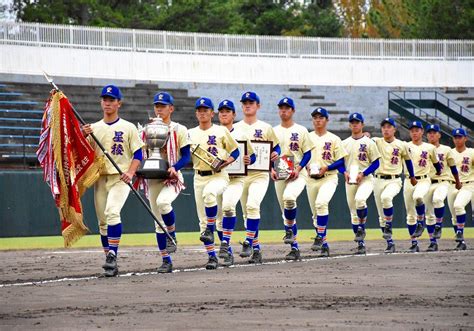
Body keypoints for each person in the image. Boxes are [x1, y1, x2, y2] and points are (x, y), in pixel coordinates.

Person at [82, 84, 144, 277]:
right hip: (100, 178)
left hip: (120, 178)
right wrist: (82, 136)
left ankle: (112, 256)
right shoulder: (93, 128)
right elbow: (82, 153)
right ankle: (110, 262)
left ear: (119, 103)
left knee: (112, 212)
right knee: (102, 222)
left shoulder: (128, 127)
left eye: (111, 100)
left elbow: (139, 153)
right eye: (105, 100)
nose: (107, 103)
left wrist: (131, 173)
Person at [188, 97, 239, 270]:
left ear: (212, 113)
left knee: (210, 195)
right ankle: (213, 256)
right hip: (198, 176)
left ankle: (211, 230)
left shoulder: (221, 131)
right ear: (196, 113)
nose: (202, 113)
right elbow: (185, 156)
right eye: (199, 110)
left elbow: (236, 151)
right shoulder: (190, 133)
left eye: (206, 109)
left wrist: (227, 162)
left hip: (218, 175)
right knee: (202, 220)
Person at [145, 92, 191, 273]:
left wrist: (176, 167)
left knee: (163, 203)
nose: (159, 108)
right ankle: (166, 260)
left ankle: (172, 233)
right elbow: (141, 153)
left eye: (163, 106)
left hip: (172, 177)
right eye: (157, 105)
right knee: (157, 222)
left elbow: (187, 156)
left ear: (171, 108)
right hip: (153, 177)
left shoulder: (179, 129)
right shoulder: (147, 129)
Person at [233, 91, 280, 264]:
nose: (247, 104)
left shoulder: (266, 127)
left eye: (251, 102)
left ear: (258, 105)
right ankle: (257, 250)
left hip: (260, 174)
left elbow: (277, 148)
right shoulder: (235, 128)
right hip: (240, 175)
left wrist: (275, 153)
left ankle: (248, 242)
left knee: (253, 205)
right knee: (246, 213)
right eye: (245, 102)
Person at [271, 97, 314, 261]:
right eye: (281, 107)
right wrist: (270, 169)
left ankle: (289, 232)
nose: (284, 110)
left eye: (287, 108)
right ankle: (294, 247)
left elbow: (308, 153)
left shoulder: (301, 130)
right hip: (281, 171)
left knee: (289, 198)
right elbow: (268, 153)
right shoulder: (273, 131)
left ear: (293, 110)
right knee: (285, 211)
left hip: (298, 171)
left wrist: (299, 168)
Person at [216, 99, 256, 266]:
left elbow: (252, 156)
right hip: (217, 178)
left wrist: (248, 159)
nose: (224, 113)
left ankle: (225, 243)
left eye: (228, 111)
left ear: (234, 114)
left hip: (236, 179)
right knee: (218, 219)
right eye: (221, 111)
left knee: (228, 206)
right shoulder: (214, 133)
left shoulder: (241, 134)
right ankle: (228, 252)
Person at [306, 107, 346, 257]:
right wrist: (306, 166)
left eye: (321, 117)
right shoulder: (307, 137)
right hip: (311, 179)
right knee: (315, 214)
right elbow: (301, 157)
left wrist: (327, 167)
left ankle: (320, 238)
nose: (318, 120)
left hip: (329, 177)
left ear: (327, 120)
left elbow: (341, 160)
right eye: (315, 117)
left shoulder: (334, 139)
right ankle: (324, 244)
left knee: (321, 203)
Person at [372, 117, 415, 253]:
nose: (386, 129)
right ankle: (390, 243)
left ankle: (389, 225)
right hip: (378, 179)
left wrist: (412, 176)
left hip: (394, 180)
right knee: (380, 215)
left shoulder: (401, 145)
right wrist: (366, 136)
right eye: (384, 127)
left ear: (394, 129)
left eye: (389, 126)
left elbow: (408, 162)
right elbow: (365, 140)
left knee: (386, 198)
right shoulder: (376, 142)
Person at [341, 113, 381, 255]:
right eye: (352, 122)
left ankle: (362, 228)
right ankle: (360, 244)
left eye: (357, 122)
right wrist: (343, 172)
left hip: (366, 178)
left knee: (360, 200)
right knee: (353, 214)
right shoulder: (344, 143)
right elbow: (340, 162)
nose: (355, 124)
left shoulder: (369, 143)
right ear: (349, 125)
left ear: (362, 124)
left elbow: (376, 162)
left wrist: (363, 173)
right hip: (350, 180)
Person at [403, 121, 441, 253]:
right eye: (412, 130)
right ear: (410, 132)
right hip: (408, 181)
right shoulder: (405, 146)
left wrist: (438, 172)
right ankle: (414, 243)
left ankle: (431, 240)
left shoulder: (429, 148)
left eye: (417, 130)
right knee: (410, 214)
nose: (414, 132)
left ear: (422, 132)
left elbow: (437, 164)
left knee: (419, 197)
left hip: (424, 180)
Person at [424, 124, 461, 252]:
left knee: (438, 199)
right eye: (429, 133)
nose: (432, 135)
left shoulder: (446, 149)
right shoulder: (424, 148)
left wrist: (457, 181)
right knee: (429, 215)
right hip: (428, 182)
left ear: (439, 135)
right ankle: (432, 242)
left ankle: (439, 225)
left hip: (443, 181)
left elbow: (453, 167)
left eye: (434, 132)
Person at [447, 128, 473, 250]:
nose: (457, 140)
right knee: (454, 216)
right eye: (455, 137)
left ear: (465, 138)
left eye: (460, 137)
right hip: (451, 185)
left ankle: (460, 232)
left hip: (468, 185)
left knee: (458, 206)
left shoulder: (471, 152)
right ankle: (461, 242)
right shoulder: (449, 153)